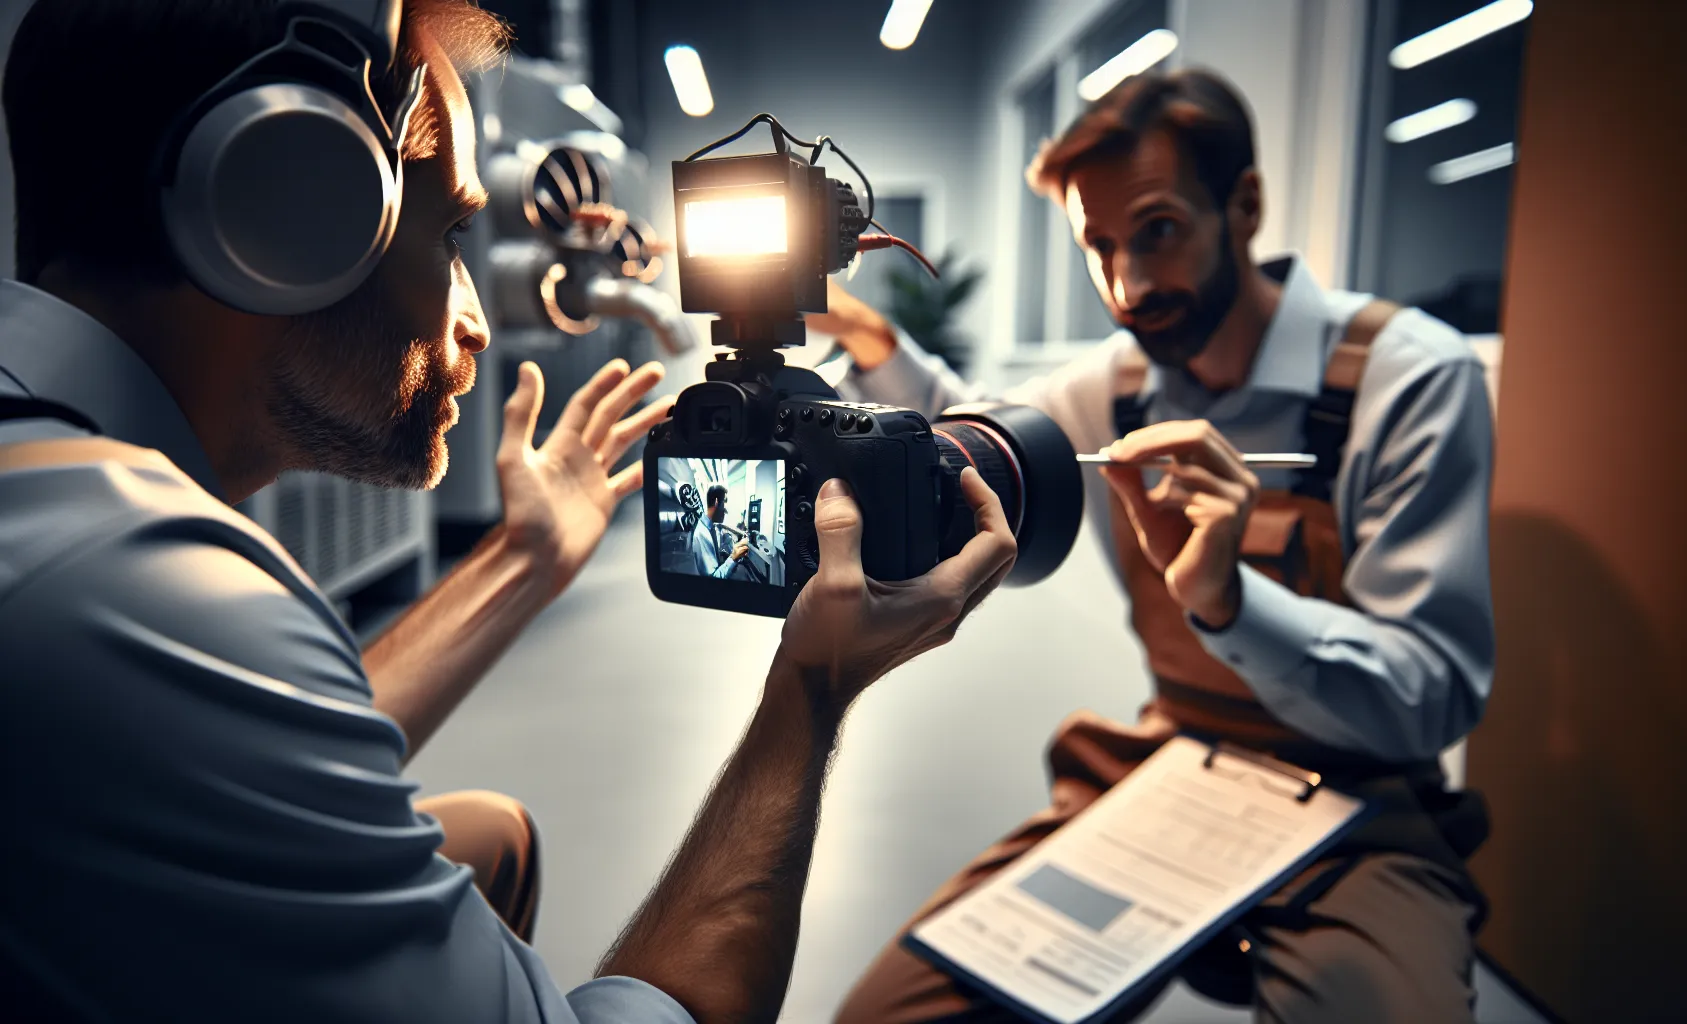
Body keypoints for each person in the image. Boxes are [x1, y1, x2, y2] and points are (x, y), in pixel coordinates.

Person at [0, 1, 1018, 1022]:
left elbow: (232, 753)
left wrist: (519, 559)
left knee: (489, 833)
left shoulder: (61, 481)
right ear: (282, 208)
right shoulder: (151, 590)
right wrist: (813, 686)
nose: (480, 322)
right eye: (447, 236)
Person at [814, 68, 1497, 1022]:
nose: (1130, 283)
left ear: (1244, 205)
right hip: (1174, 764)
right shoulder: (1114, 383)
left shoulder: (1409, 379)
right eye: (1101, 247)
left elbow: (1435, 698)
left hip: (1360, 802)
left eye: (1160, 232)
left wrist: (1234, 604)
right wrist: (868, 337)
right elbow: (968, 454)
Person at [694, 483, 753, 579]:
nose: (726, 511)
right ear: (716, 502)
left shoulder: (713, 527)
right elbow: (713, 578)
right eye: (725, 502)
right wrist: (733, 557)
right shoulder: (701, 535)